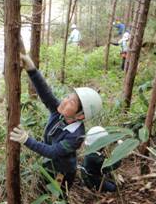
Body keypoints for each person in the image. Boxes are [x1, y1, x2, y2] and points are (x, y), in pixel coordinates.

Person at [10, 53, 102, 193]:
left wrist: (26, 139)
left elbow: (53, 152)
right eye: (67, 96)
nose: (65, 101)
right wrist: (32, 70)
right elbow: (46, 94)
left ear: (81, 116)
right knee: (42, 188)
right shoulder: (61, 113)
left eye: (71, 102)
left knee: (56, 199)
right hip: (49, 164)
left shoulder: (76, 136)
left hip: (62, 173)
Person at [78, 126, 121, 192]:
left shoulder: (91, 152)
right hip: (93, 180)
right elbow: (110, 166)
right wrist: (120, 154)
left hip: (92, 176)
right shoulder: (94, 157)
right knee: (113, 188)